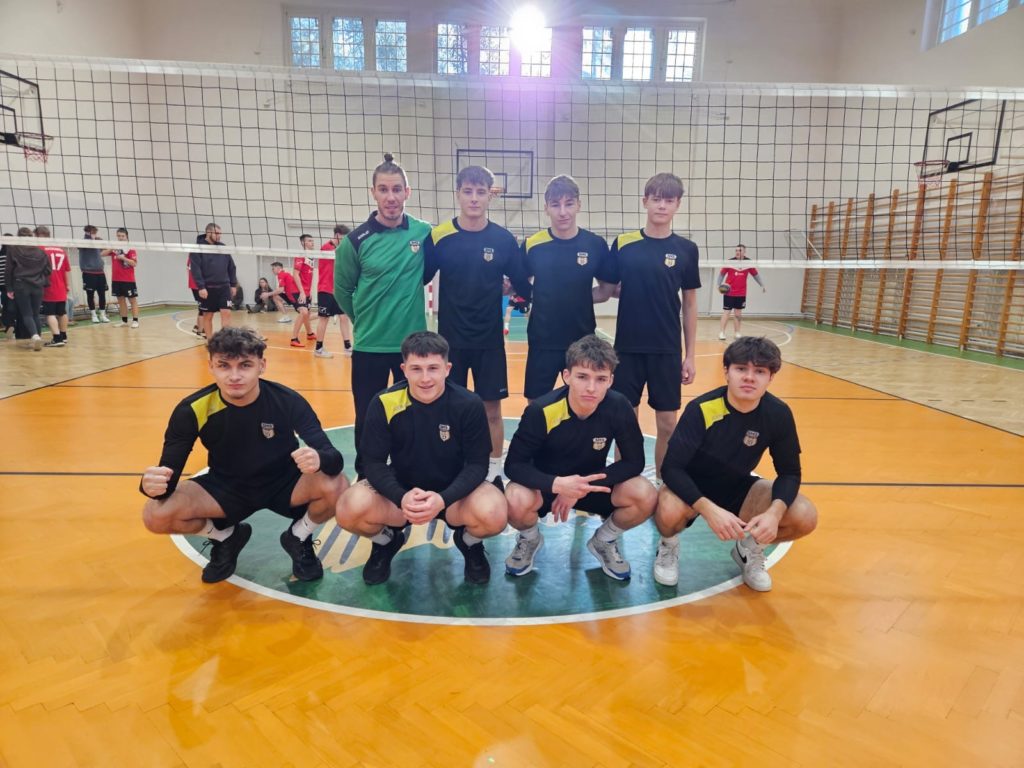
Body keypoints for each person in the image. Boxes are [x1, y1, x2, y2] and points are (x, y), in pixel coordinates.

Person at [139, 327, 349, 583]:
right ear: (211, 366)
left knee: (337, 485)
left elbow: (334, 459)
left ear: (262, 365)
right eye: (224, 366)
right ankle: (226, 538)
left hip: (285, 483)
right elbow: (167, 481)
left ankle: (299, 536)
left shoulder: (286, 400)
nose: (234, 376)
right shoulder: (191, 409)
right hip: (226, 487)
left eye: (245, 365)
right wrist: (149, 486)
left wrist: (319, 459)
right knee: (155, 514)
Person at [335, 331, 507, 585]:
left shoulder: (468, 403)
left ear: (447, 369)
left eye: (433, 368)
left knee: (495, 513)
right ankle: (385, 541)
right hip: (404, 492)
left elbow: (477, 465)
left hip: (455, 494)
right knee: (348, 509)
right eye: (416, 369)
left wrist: (443, 499)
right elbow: (373, 463)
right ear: (404, 369)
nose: (425, 378)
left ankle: (470, 543)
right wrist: (400, 496)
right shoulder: (384, 402)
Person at [653, 336, 818, 592]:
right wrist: (708, 509)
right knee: (667, 510)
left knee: (804, 515)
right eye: (741, 369)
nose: (749, 377)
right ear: (727, 372)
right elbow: (671, 469)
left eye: (759, 371)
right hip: (690, 488)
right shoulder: (702, 408)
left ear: (771, 377)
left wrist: (774, 514)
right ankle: (668, 546)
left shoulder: (778, 414)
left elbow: (790, 473)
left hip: (738, 487)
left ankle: (749, 551)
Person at [503, 335, 657, 580]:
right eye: (582, 377)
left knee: (644, 493)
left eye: (600, 379)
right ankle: (530, 539)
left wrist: (580, 487)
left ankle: (604, 540)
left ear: (610, 380)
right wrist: (558, 485)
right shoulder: (541, 410)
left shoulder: (619, 407)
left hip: (591, 486)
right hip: (546, 486)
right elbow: (514, 465)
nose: (591, 388)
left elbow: (634, 461)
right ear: (567, 376)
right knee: (514, 497)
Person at [423, 165, 527, 488]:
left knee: (491, 409)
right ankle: (451, 466)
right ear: (458, 193)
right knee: (448, 408)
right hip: (450, 342)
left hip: (488, 341)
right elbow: (419, 278)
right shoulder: (439, 236)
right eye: (467, 191)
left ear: (490, 196)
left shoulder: (503, 239)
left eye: (481, 192)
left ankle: (494, 471)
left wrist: (513, 287)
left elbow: (522, 283)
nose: (474, 198)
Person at [596, 172, 701, 481]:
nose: (662, 206)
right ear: (645, 201)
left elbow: (690, 303)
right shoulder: (624, 243)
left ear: (678, 204)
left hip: (666, 350)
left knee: (667, 423)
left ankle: (663, 482)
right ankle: (623, 482)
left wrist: (690, 355)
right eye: (656, 199)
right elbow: (606, 289)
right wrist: (557, 292)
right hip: (627, 349)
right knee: (625, 423)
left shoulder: (686, 249)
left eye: (669, 200)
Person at [334, 153, 432, 477]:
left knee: (413, 415)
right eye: (384, 189)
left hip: (411, 348)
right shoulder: (354, 242)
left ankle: (410, 473)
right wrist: (364, 321)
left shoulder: (423, 232)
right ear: (373, 192)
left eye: (397, 189)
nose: (391, 197)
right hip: (370, 346)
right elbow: (342, 291)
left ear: (408, 192)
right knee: (368, 416)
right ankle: (367, 475)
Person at [521, 174, 615, 402]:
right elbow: (520, 285)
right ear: (546, 208)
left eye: (569, 204)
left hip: (582, 341)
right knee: (536, 404)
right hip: (542, 340)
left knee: (583, 400)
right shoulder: (532, 244)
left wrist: (576, 296)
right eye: (555, 205)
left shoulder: (595, 244)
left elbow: (605, 290)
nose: (562, 212)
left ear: (578, 205)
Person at [189, 223, 238, 339]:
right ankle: (210, 342)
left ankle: (225, 341)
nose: (219, 236)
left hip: (224, 288)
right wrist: (201, 287)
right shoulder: (197, 249)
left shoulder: (223, 247)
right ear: (208, 232)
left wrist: (233, 284)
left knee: (227, 313)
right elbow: (195, 270)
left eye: (220, 233)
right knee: (207, 315)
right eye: (217, 233)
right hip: (208, 288)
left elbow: (232, 267)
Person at [3, 226, 49, 350]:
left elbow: (8, 271)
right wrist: (38, 277)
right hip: (37, 286)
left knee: (27, 314)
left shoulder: (13, 250)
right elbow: (48, 270)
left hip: (21, 285)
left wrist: (9, 288)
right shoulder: (41, 252)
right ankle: (37, 337)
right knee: (35, 314)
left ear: (18, 237)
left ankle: (35, 337)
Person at [316, 224, 353, 358]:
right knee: (324, 318)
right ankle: (318, 349)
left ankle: (347, 347)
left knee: (344, 317)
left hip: (337, 290)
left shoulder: (341, 248)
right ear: (337, 235)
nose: (345, 240)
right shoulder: (326, 247)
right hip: (325, 289)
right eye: (344, 237)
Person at [718, 243, 765, 340]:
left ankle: (737, 332)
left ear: (744, 252)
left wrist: (762, 285)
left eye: (739, 250)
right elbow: (721, 274)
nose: (737, 252)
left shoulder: (748, 263)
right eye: (736, 250)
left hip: (741, 293)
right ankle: (722, 332)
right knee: (726, 312)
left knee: (738, 314)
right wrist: (718, 285)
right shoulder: (730, 262)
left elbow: (755, 275)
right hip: (729, 292)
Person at [35, 226, 71, 348]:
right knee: (62, 312)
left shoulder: (40, 249)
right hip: (61, 285)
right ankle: (63, 336)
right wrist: (67, 285)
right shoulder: (61, 250)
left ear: (39, 236)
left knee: (50, 313)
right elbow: (66, 270)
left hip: (48, 285)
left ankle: (57, 338)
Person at [269, 261, 311, 348]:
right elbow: (281, 289)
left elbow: (280, 289)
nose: (272, 271)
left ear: (278, 268)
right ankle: (308, 333)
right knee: (305, 313)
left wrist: (267, 294)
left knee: (305, 314)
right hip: (293, 294)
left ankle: (299, 337)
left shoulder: (282, 274)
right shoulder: (285, 275)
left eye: (273, 269)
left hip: (295, 294)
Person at [104, 227, 140, 327]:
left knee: (132, 300)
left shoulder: (130, 248)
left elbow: (134, 263)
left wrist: (123, 258)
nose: (120, 238)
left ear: (126, 236)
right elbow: (101, 254)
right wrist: (112, 248)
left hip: (128, 280)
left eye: (122, 236)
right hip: (116, 279)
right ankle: (124, 321)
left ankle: (135, 321)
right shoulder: (115, 248)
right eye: (119, 236)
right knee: (121, 300)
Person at [79, 225, 110, 323]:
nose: (94, 234)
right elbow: (82, 245)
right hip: (88, 273)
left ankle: (102, 315)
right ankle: (93, 315)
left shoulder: (98, 241)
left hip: (100, 273)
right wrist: (89, 237)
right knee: (90, 295)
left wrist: (107, 245)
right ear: (87, 233)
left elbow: (104, 250)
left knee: (102, 295)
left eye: (95, 233)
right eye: (92, 233)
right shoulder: (82, 242)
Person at [292, 235, 316, 340]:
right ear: (303, 243)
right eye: (309, 241)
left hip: (306, 290)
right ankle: (294, 338)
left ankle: (310, 334)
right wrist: (302, 292)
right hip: (298, 290)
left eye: (312, 241)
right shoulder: (301, 255)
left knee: (307, 313)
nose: (312, 243)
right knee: (304, 312)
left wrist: (309, 291)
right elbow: (295, 274)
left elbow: (309, 275)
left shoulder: (311, 256)